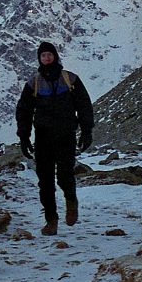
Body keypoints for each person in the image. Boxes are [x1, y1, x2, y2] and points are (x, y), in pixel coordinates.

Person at [15, 41, 94, 236]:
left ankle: (71, 201)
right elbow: (23, 111)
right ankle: (51, 220)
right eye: (43, 55)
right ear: (39, 59)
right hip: (43, 138)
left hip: (66, 135)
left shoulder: (70, 79)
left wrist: (86, 131)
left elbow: (84, 105)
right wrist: (24, 138)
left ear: (55, 56)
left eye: (49, 54)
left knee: (65, 175)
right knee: (45, 181)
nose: (47, 58)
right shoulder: (34, 83)